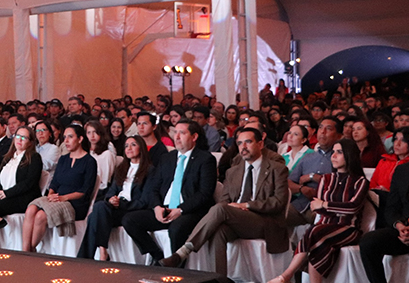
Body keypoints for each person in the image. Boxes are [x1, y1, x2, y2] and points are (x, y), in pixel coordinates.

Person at [159, 129, 290, 275]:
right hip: (236, 218)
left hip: (264, 221)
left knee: (221, 209)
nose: (243, 147)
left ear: (260, 144)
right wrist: (235, 209)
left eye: (248, 142)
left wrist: (245, 205)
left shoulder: (276, 169)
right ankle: (219, 278)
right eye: (239, 143)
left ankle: (184, 251)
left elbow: (279, 202)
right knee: (218, 232)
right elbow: (225, 199)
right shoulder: (233, 171)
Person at [267, 139, 369, 283]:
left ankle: (286, 276)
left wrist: (325, 204)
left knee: (315, 232)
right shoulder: (326, 179)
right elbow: (317, 207)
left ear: (349, 155)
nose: (333, 156)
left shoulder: (360, 181)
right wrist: (330, 207)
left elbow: (352, 208)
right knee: (318, 240)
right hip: (323, 227)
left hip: (348, 229)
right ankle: (287, 277)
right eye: (333, 152)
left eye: (339, 152)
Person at [121, 119, 217, 265]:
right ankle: (158, 257)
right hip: (165, 208)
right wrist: (157, 207)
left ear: (194, 137)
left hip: (189, 211)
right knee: (130, 220)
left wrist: (181, 210)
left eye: (182, 133)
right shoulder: (167, 158)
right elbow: (154, 188)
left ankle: (176, 271)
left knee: (176, 229)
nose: (177, 137)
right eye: (175, 133)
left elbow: (205, 193)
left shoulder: (205, 159)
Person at [22, 124, 97, 253]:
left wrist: (63, 197)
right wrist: (51, 194)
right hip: (57, 198)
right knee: (31, 209)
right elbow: (55, 182)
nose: (66, 141)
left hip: (75, 202)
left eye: (70, 137)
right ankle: (24, 250)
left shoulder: (89, 161)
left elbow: (85, 190)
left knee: (40, 216)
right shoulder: (63, 159)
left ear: (80, 139)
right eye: (64, 137)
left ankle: (30, 250)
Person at [78, 135, 154, 261]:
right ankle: (102, 251)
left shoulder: (149, 170)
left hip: (131, 210)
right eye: (126, 146)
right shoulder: (122, 168)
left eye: (133, 145)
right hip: (115, 207)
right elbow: (111, 192)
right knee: (100, 207)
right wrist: (111, 199)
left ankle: (89, 257)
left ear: (141, 148)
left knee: (95, 214)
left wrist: (121, 204)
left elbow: (145, 200)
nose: (129, 148)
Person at [0, 126, 43, 247]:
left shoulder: (34, 157)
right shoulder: (9, 157)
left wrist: (7, 193)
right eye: (17, 136)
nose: (19, 140)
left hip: (22, 197)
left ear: (30, 142)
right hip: (4, 193)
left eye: (24, 137)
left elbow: (29, 183)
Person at [359, 140, 409, 283]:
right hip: (405, 229)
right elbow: (392, 208)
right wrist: (399, 226)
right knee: (369, 242)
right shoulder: (403, 171)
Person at [288, 116, 343, 226]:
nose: (322, 132)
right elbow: (289, 183)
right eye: (320, 128)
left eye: (328, 129)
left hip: (325, 207)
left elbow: (343, 185)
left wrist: (313, 177)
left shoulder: (341, 158)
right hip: (301, 205)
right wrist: (302, 188)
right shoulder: (308, 157)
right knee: (274, 217)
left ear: (338, 136)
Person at [369, 127, 409, 228]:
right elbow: (372, 183)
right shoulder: (384, 161)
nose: (397, 144)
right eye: (395, 139)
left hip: (397, 203)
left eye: (403, 140)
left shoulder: (407, 166)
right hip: (378, 197)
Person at [85, 120, 116, 198]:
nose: (92, 136)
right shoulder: (84, 149)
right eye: (89, 133)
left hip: (100, 189)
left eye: (95, 132)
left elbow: (105, 180)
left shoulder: (107, 152)